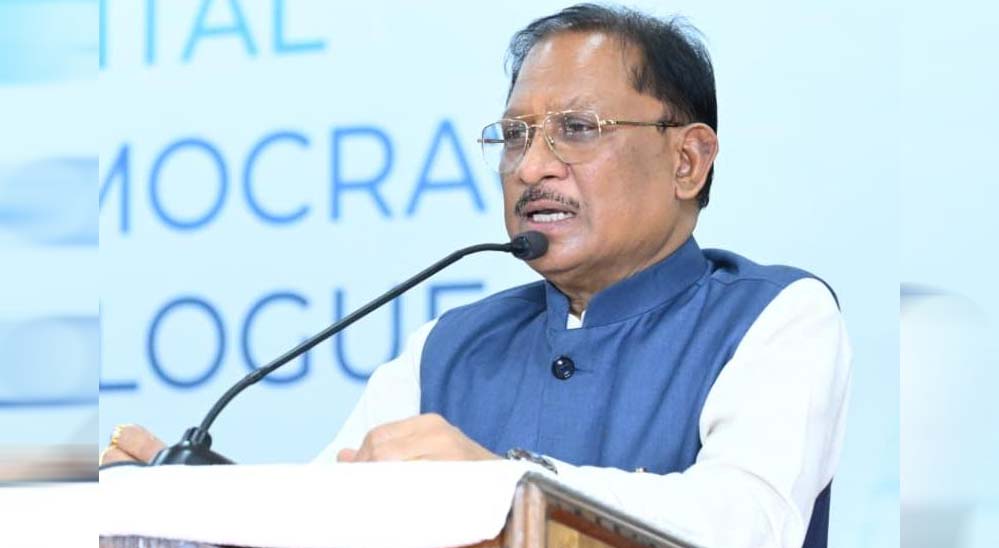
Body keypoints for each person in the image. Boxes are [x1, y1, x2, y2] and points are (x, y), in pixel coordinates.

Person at [101, 4, 851, 547]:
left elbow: (745, 523)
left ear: (687, 160)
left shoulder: (776, 316)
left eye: (576, 129)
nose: (531, 166)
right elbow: (326, 518)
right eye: (515, 135)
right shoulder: (449, 345)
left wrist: (501, 485)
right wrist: (188, 508)